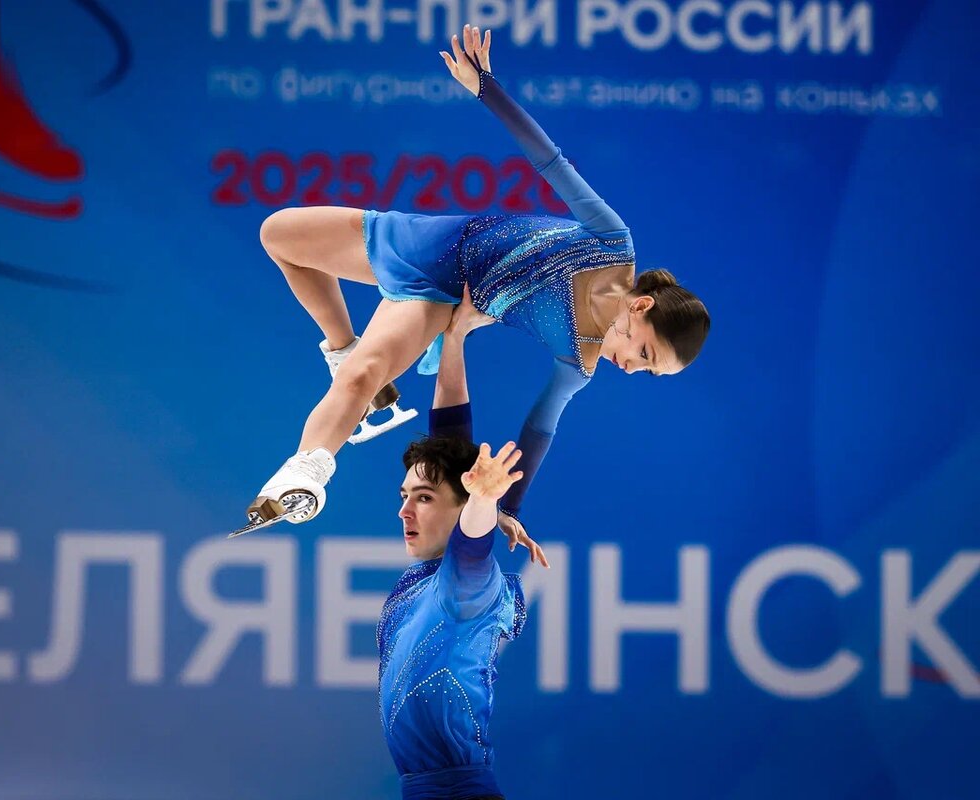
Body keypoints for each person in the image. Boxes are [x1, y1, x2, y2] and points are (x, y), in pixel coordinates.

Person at [237, 23, 710, 538]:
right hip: (425, 241)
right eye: (645, 352)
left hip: (443, 293)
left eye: (648, 371)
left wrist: (511, 509)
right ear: (641, 308)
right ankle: (341, 346)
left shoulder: (581, 362)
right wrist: (487, 88)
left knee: (363, 376)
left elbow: (538, 430)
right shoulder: (611, 244)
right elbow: (550, 160)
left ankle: (306, 471)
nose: (633, 367)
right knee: (278, 235)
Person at [380, 297, 545, 800]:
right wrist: (453, 342)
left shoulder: (465, 585)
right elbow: (448, 450)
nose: (404, 511)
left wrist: (486, 501)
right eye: (404, 496)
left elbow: (472, 542)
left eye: (423, 499)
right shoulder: (428, 578)